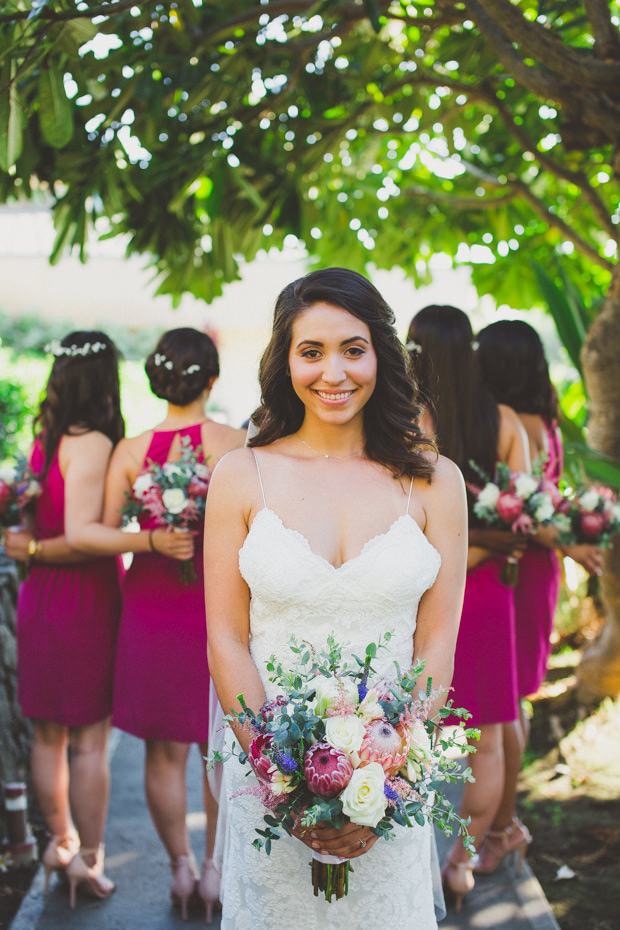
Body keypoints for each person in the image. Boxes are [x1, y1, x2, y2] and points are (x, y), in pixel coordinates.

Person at [204, 268, 468, 930]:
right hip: (269, 781)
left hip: (391, 787)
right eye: (311, 351)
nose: (335, 372)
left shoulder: (437, 483)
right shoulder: (241, 476)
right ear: (284, 360)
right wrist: (282, 782)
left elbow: (436, 643)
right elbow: (227, 639)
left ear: (381, 354)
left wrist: (392, 779)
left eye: (353, 349)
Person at [68, 327, 245, 922]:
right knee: (218, 746)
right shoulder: (234, 445)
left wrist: (145, 539)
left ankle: (181, 868)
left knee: (164, 750)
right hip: (216, 603)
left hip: (147, 602)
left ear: (156, 378)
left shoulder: (130, 450)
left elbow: (88, 532)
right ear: (212, 378)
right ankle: (218, 869)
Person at [2, 332, 182, 908]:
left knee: (49, 734)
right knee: (88, 740)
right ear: (107, 379)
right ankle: (88, 857)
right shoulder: (96, 442)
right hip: (82, 595)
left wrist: (29, 550)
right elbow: (81, 538)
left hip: (40, 597)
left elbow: (38, 525)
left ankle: (59, 843)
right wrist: (152, 539)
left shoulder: (43, 439)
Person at [406, 305, 530, 911]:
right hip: (488, 596)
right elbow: (523, 518)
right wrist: (489, 543)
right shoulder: (505, 420)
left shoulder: (408, 420)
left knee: (410, 731)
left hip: (426, 592)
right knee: (486, 739)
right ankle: (461, 865)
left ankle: (414, 861)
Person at [475, 319, 602, 872]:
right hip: (539, 566)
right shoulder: (544, 420)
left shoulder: (514, 422)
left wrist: (569, 545)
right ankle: (506, 823)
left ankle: (503, 826)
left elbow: (527, 511)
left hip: (520, 566)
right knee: (516, 699)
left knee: (508, 704)